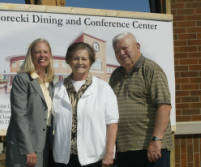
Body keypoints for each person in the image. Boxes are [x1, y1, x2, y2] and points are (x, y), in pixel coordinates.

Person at [109, 32, 173, 167]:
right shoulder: (115, 75)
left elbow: (164, 106)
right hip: (124, 149)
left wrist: (156, 139)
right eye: (117, 51)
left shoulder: (151, 70)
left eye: (125, 48)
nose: (121, 53)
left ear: (137, 46)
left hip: (150, 148)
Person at [53, 42, 119, 167]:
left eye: (84, 59)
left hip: (94, 158)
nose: (80, 62)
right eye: (75, 58)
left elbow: (112, 123)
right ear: (69, 61)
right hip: (64, 158)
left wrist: (109, 153)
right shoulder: (57, 88)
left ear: (91, 62)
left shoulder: (103, 88)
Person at [5, 38, 54, 167]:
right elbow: (20, 116)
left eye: (45, 51)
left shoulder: (51, 83)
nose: (42, 55)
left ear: (50, 55)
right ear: (31, 55)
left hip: (44, 146)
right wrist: (28, 149)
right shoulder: (23, 79)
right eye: (38, 52)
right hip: (26, 149)